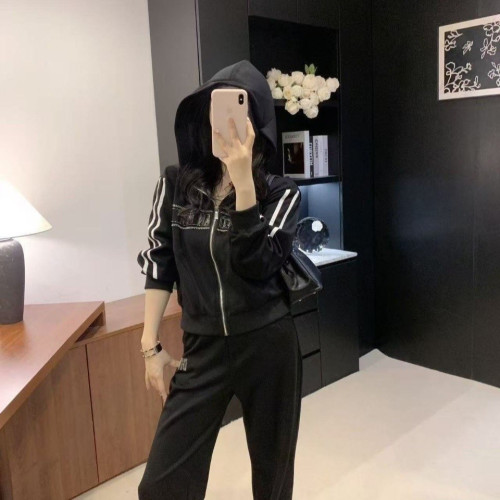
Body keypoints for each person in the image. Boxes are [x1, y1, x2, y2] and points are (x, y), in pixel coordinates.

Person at [136, 59, 303, 500]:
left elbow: (257, 264)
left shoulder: (282, 193)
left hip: (267, 344)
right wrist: (151, 346)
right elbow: (159, 260)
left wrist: (245, 185)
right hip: (202, 348)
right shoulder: (175, 185)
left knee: (273, 478)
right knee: (160, 487)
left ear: (258, 126)